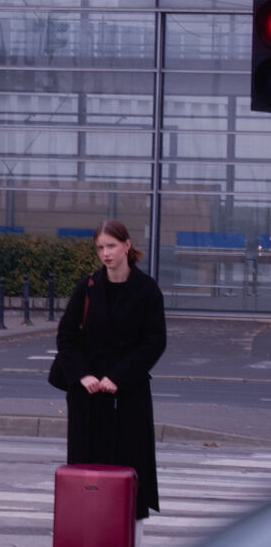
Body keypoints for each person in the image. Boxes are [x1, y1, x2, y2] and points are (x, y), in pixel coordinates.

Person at [54, 219, 166, 519]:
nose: (106, 253)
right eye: (100, 247)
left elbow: (154, 342)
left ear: (127, 246)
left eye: (111, 246)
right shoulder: (88, 286)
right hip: (88, 395)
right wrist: (83, 374)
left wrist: (119, 377)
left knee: (130, 466)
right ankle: (84, 536)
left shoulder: (147, 290)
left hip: (128, 394)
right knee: (86, 472)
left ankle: (127, 545)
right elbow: (66, 337)